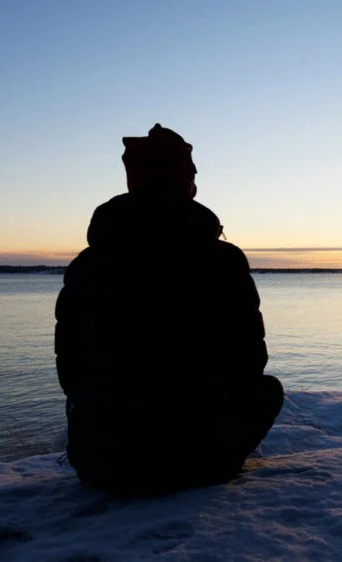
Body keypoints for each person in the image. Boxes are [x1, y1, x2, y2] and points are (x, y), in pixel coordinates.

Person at [55, 124, 283, 494]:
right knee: (268, 389)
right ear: (181, 181)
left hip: (104, 465)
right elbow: (250, 361)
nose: (196, 184)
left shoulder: (88, 265)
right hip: (203, 462)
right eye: (192, 175)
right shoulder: (222, 262)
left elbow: (71, 372)